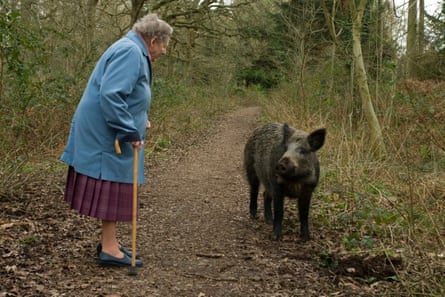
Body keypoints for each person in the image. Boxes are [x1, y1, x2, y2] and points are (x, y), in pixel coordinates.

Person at [60, 14, 173, 267]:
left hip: (107, 129)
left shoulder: (132, 49)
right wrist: (128, 129)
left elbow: (127, 93)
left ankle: (110, 243)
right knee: (112, 183)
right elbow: (111, 95)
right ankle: (109, 249)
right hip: (105, 134)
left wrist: (139, 117)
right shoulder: (131, 52)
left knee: (116, 183)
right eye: (164, 46)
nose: (164, 52)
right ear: (154, 40)